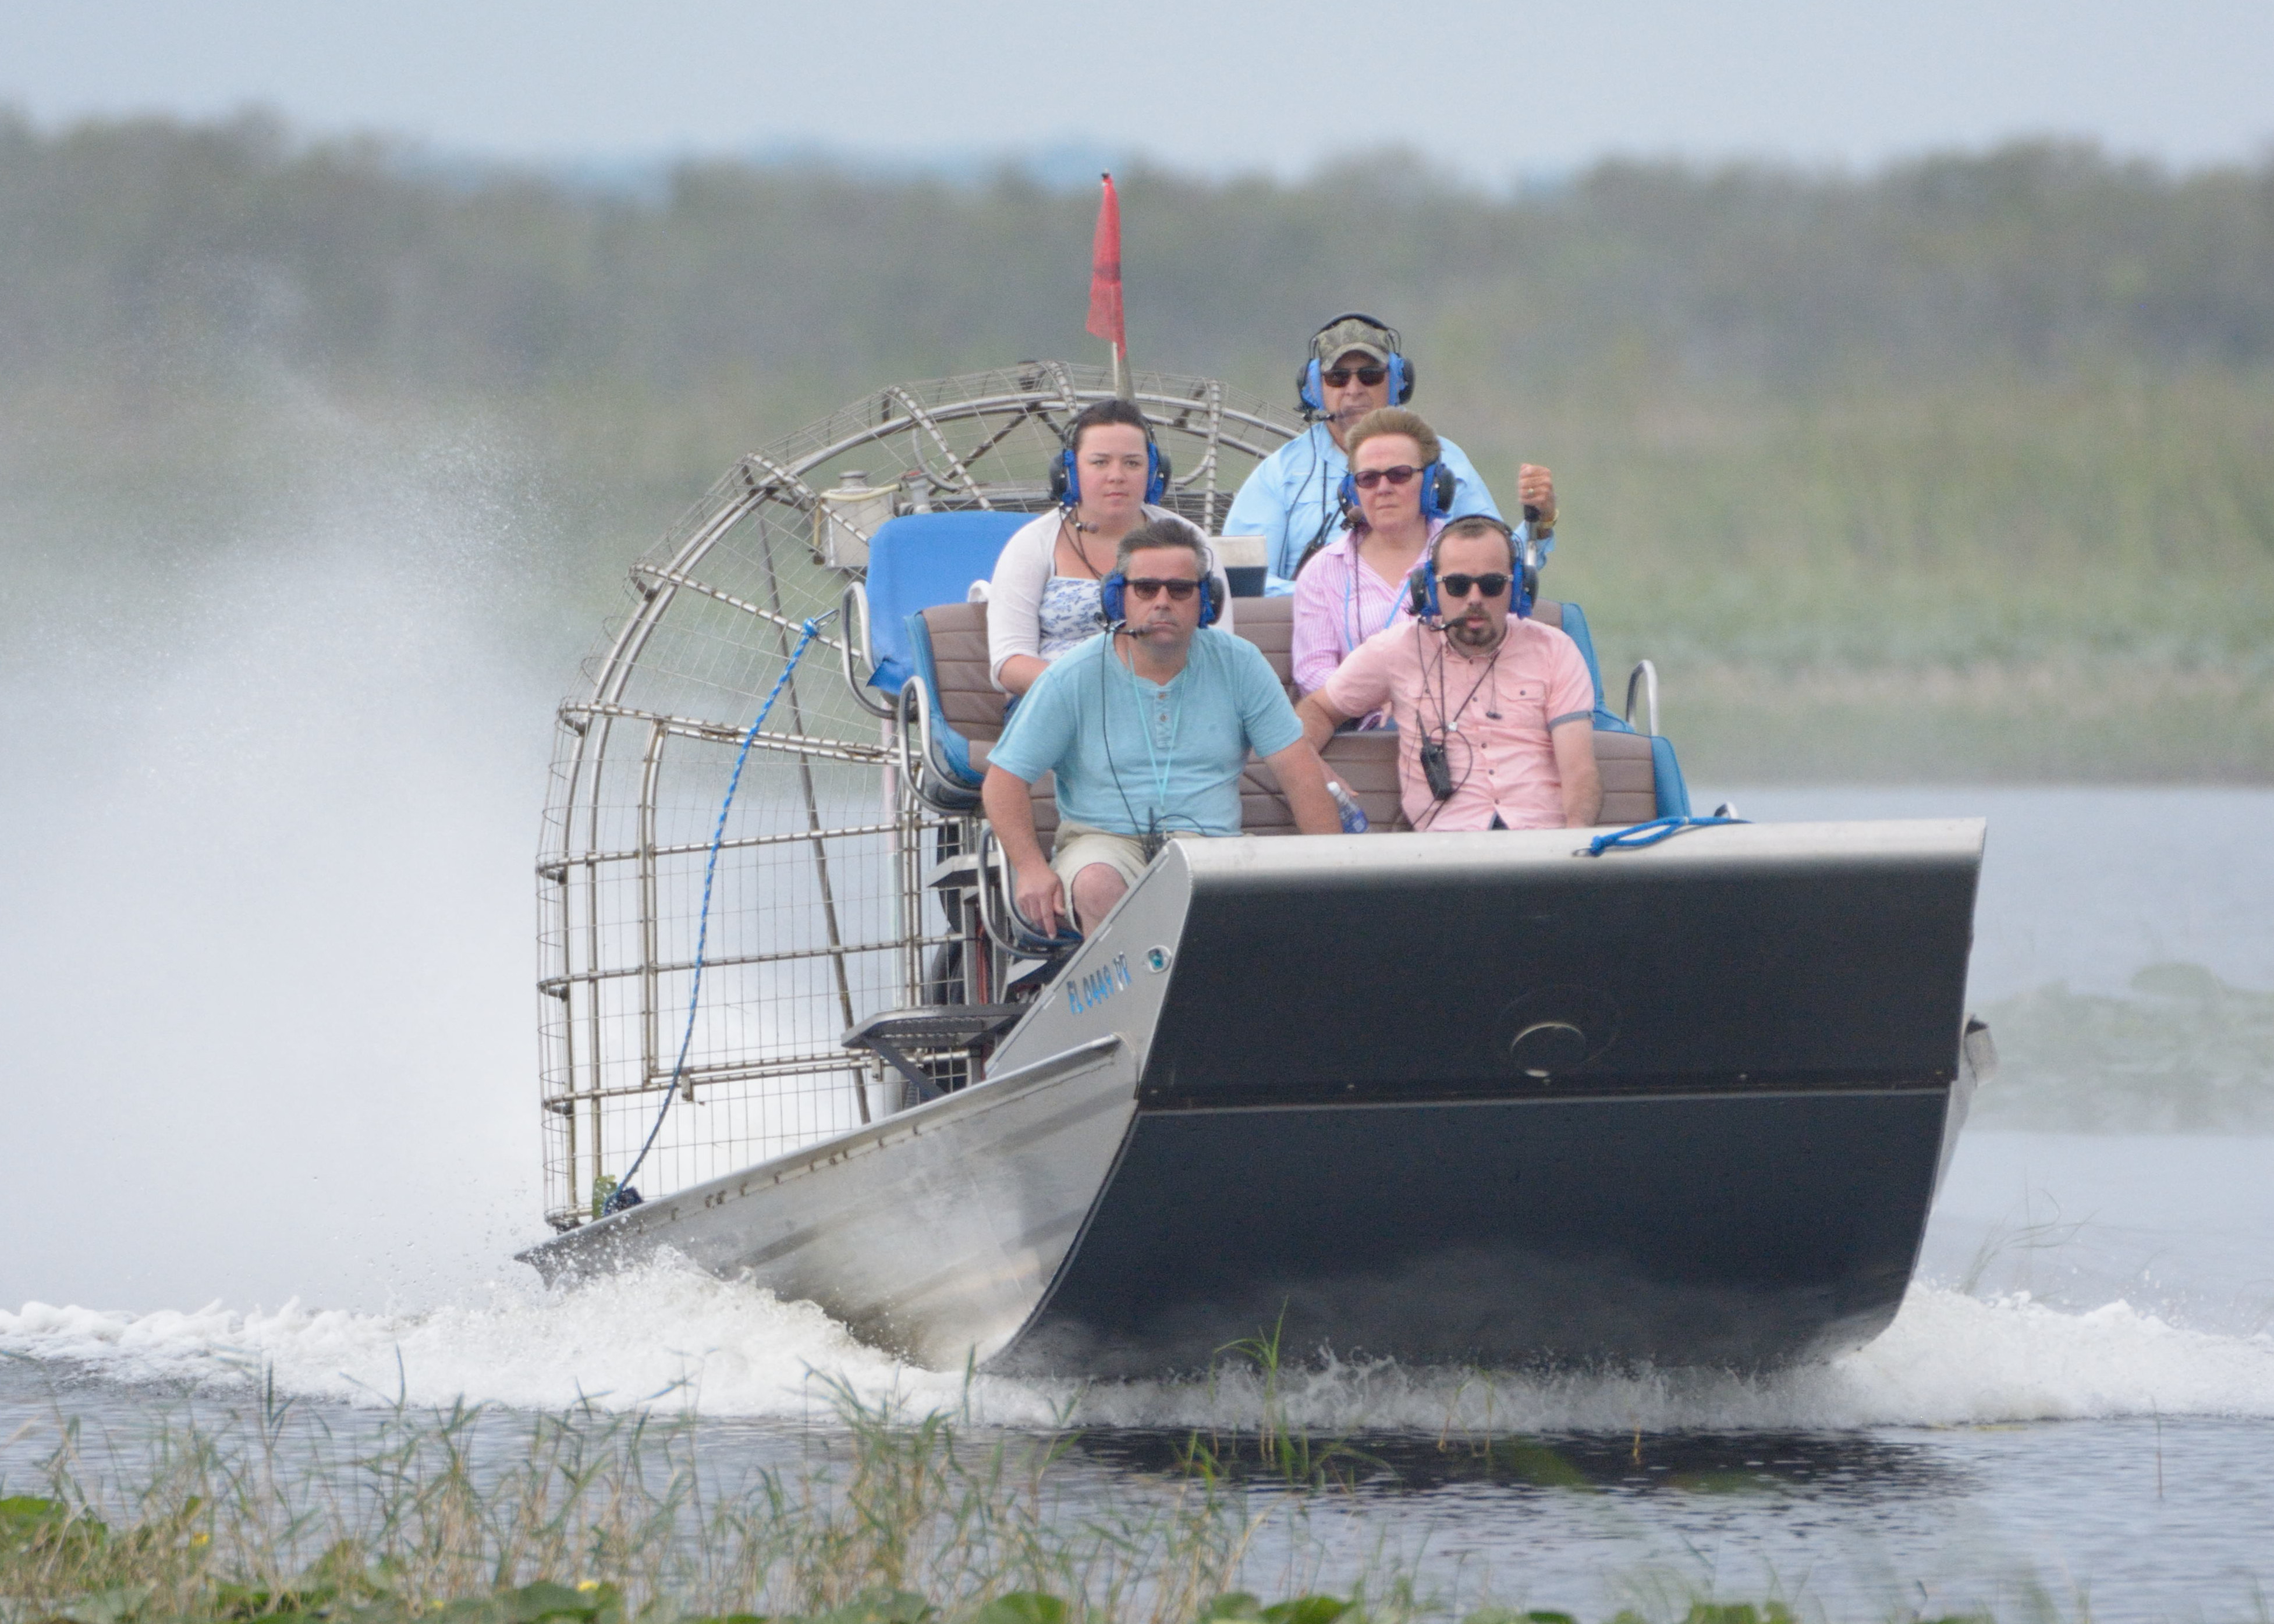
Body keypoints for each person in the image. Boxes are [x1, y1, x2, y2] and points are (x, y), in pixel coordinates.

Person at [984, 520, 1339, 936]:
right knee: (1097, 885)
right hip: (1101, 843)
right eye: (1146, 588)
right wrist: (1029, 868)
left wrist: (1331, 870)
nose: (1162, 601)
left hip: (1211, 847)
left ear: (1206, 600)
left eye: (1180, 589)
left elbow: (1299, 772)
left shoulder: (1241, 663)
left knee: (1249, 899)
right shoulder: (1071, 675)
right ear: (1118, 598)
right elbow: (1002, 781)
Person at [1294, 516, 1602, 831]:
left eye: (1492, 585)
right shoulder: (1396, 650)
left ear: (1519, 587)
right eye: (1456, 586)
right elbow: (1317, 709)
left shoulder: (1556, 650)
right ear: (1428, 589)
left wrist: (1573, 854)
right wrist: (1311, 770)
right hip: (1445, 860)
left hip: (1541, 847)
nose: (1474, 599)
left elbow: (1579, 773)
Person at [1221, 312, 1553, 589]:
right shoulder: (1280, 474)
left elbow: (1496, 564)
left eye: (1369, 375)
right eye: (1338, 377)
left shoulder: (1445, 461)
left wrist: (1540, 521)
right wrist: (1333, 603)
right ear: (1314, 388)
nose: (1354, 390)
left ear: (1397, 381)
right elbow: (1243, 582)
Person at [987, 399, 1232, 698]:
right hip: (1060, 707)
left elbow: (1221, 647)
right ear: (1069, 471)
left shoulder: (1189, 541)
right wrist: (1093, 694)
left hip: (1172, 704)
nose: (1116, 475)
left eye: (1132, 463)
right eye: (1100, 462)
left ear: (1154, 470)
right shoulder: (1032, 544)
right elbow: (1008, 663)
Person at [1290, 406, 1443, 696]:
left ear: (1433, 483)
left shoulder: (1466, 556)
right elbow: (1312, 671)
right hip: (1365, 731)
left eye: (1399, 475)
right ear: (1352, 491)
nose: (1383, 489)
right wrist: (1373, 699)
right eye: (1369, 479)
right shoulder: (1323, 570)